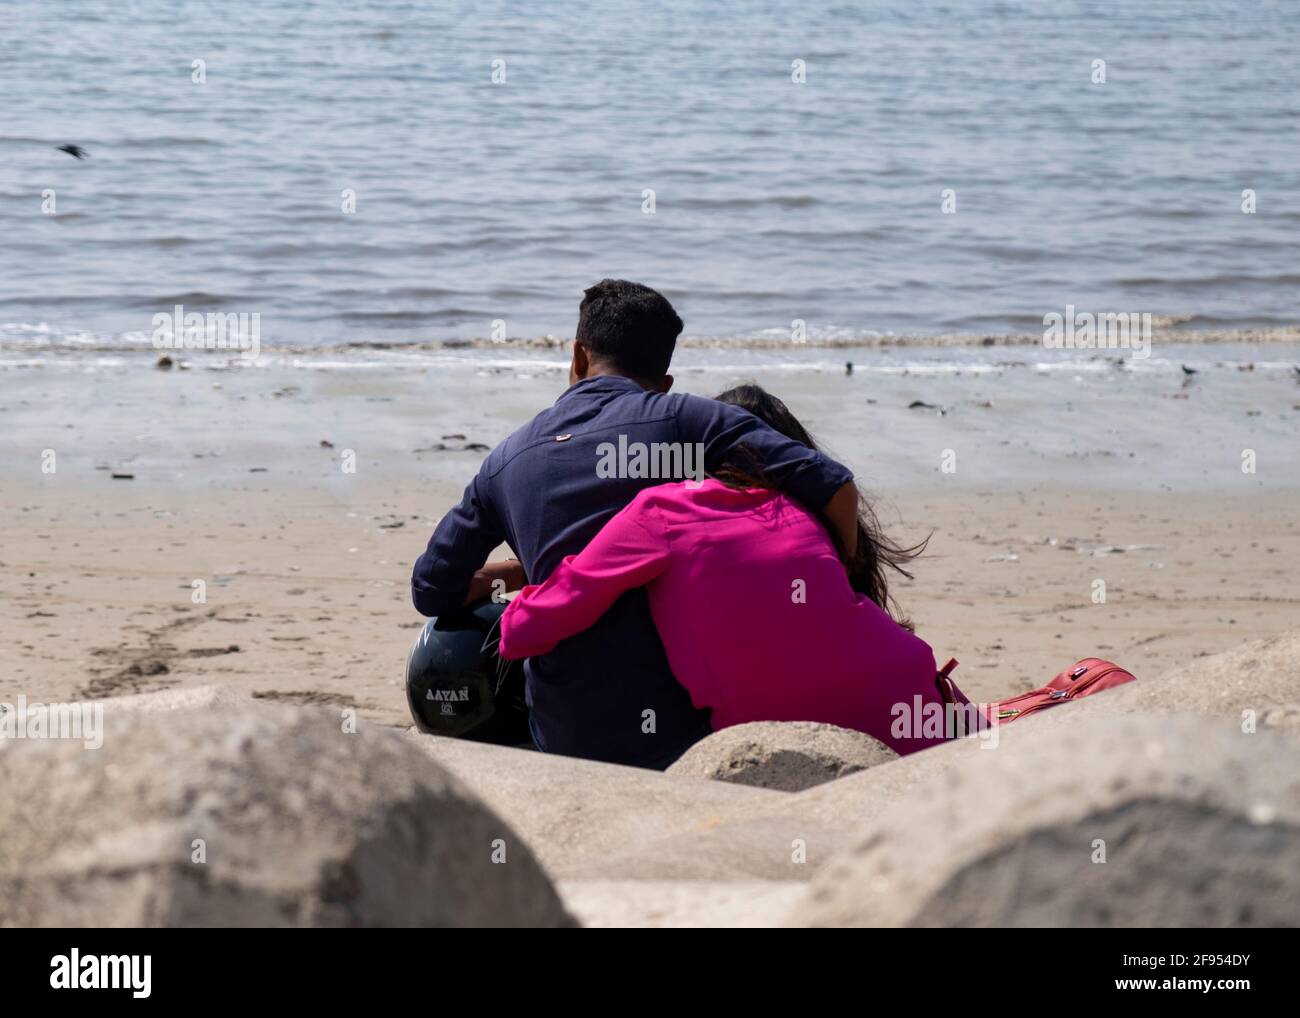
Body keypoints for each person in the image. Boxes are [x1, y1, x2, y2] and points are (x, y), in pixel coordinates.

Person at [410, 281, 860, 769]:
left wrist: (519, 573)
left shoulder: (506, 459)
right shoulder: (683, 420)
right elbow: (834, 488)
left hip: (567, 730)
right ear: (664, 380)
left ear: (577, 356)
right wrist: (842, 592)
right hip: (684, 719)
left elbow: (431, 590)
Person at [498, 384, 959, 755]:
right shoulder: (808, 511)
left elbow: (527, 629)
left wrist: (511, 597)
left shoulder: (662, 512)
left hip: (785, 744)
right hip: (916, 707)